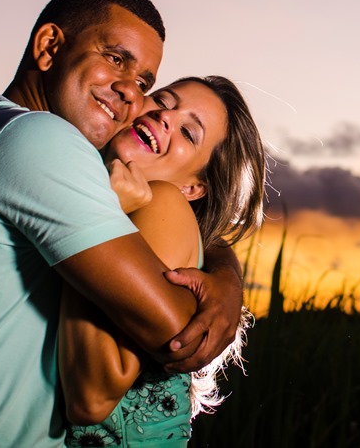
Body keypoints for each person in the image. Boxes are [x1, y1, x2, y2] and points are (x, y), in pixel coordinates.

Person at [0, 0, 246, 447]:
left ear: (196, 184)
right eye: (116, 58)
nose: (134, 97)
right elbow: (173, 328)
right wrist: (221, 297)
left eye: (143, 83)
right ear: (50, 45)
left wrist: (225, 276)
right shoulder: (41, 140)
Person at [61, 75, 265, 446]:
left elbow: (90, 398)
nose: (166, 116)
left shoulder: (163, 202)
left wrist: (101, 216)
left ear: (192, 188)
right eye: (164, 100)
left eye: (189, 133)